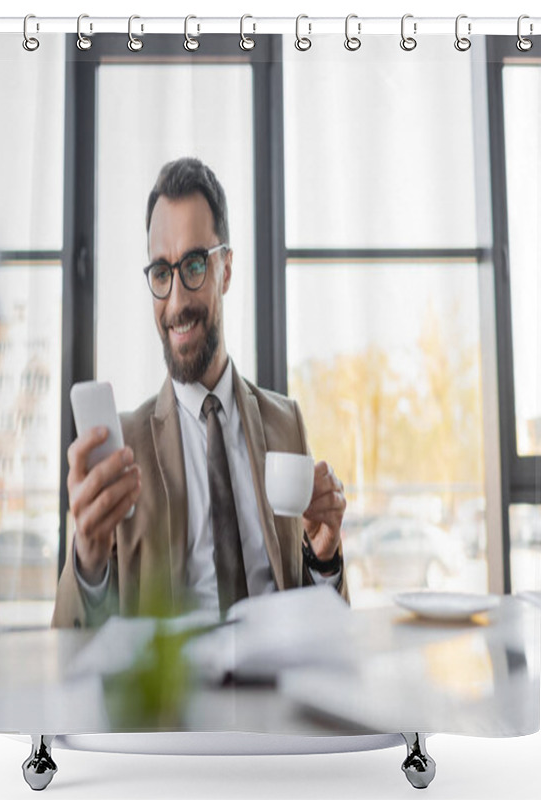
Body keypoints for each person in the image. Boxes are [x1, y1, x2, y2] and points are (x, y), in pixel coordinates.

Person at [52, 157, 348, 628]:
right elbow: (73, 641)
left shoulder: (285, 423)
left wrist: (325, 557)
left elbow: (327, 623)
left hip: (274, 690)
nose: (175, 302)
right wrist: (87, 562)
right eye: (161, 273)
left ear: (225, 270)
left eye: (193, 265)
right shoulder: (123, 448)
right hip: (172, 697)